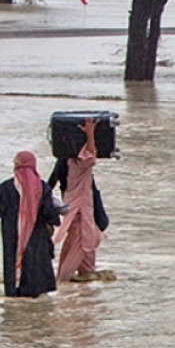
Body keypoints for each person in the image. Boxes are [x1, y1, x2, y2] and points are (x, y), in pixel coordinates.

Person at [0, 151, 60, 297]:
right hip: (37, 234)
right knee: (34, 263)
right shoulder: (42, 188)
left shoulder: (5, 187)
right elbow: (49, 213)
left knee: (12, 261)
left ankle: (14, 293)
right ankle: (32, 296)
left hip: (11, 233)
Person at [52, 118, 105, 282]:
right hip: (80, 210)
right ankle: (64, 280)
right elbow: (90, 158)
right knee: (82, 243)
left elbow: (50, 182)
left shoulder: (64, 162)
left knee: (82, 240)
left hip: (73, 207)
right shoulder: (79, 164)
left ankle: (85, 275)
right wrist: (90, 133)